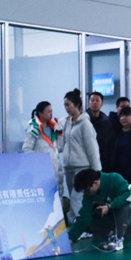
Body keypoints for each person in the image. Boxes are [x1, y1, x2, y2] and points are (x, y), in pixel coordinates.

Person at [68, 168, 131, 252]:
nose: (86, 193)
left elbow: (130, 195)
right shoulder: (89, 194)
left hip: (127, 220)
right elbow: (84, 217)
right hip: (109, 221)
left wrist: (110, 206)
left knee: (127, 206)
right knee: (81, 221)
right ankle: (111, 234)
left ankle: (118, 238)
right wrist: (70, 238)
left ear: (95, 183)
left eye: (87, 190)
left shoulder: (114, 179)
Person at [61, 89, 101, 223]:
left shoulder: (85, 124)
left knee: (76, 198)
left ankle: (80, 226)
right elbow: (63, 144)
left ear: (77, 105)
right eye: (65, 105)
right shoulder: (67, 123)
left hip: (82, 168)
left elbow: (92, 149)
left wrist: (97, 171)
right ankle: (75, 225)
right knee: (75, 199)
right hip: (69, 167)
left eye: (68, 105)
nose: (66, 108)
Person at [23, 101, 64, 195]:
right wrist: (40, 161)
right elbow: (26, 150)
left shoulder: (54, 128)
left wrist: (61, 133)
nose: (51, 114)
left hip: (56, 169)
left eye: (51, 111)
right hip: (41, 172)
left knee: (57, 197)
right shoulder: (33, 129)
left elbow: (60, 148)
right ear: (40, 113)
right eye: (48, 111)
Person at [109, 106, 131, 196]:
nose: (123, 118)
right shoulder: (115, 133)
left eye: (126, 115)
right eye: (121, 116)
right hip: (118, 172)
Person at [87, 91, 113, 171]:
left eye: (97, 100)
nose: (94, 103)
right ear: (89, 103)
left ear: (101, 104)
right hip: (87, 160)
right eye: (92, 100)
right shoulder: (84, 121)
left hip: (103, 159)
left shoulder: (107, 122)